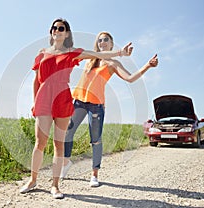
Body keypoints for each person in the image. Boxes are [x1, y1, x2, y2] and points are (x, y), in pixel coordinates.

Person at [19, 19, 133, 199]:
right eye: (54, 28)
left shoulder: (72, 53)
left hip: (62, 98)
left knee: (59, 144)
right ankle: (33, 180)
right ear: (51, 32)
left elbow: (95, 54)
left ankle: (55, 186)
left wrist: (120, 53)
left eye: (61, 28)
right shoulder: (41, 53)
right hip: (44, 98)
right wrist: (35, 101)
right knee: (39, 142)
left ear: (66, 33)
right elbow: (36, 80)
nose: (57, 30)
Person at [61, 31, 158, 187]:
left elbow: (130, 78)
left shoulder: (113, 64)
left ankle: (94, 174)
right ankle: (65, 163)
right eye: (100, 40)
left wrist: (147, 65)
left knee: (96, 139)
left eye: (106, 40)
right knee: (68, 132)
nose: (102, 42)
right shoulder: (90, 58)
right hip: (79, 101)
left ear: (111, 44)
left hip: (96, 105)